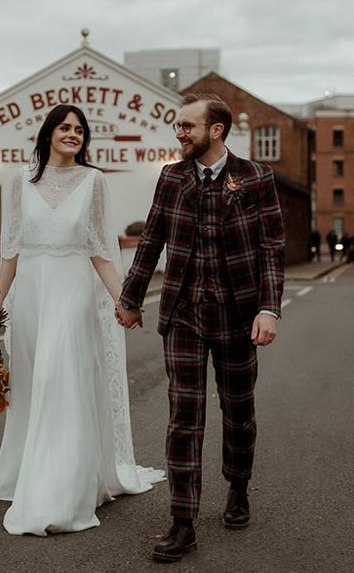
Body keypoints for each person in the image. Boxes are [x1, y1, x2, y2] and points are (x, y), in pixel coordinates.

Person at [116, 93, 285, 563]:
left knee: (239, 410)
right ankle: (182, 520)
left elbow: (272, 247)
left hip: (237, 315)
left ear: (216, 130)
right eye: (178, 125)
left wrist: (269, 309)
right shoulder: (171, 178)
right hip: (185, 314)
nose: (179, 132)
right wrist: (131, 298)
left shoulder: (255, 178)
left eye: (188, 125)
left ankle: (238, 487)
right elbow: (151, 238)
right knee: (183, 417)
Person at [0, 104, 165, 536]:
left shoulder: (94, 181)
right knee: (32, 383)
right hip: (32, 297)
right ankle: (26, 474)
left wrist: (124, 301)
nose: (73, 134)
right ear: (48, 132)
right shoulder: (20, 181)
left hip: (72, 292)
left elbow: (100, 249)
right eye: (65, 127)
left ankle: (61, 492)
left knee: (59, 378)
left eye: (79, 130)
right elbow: (11, 248)